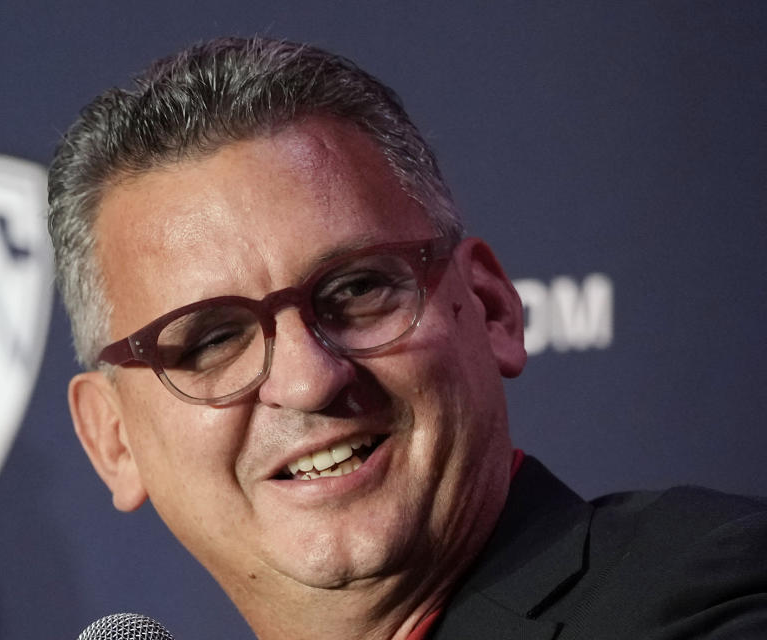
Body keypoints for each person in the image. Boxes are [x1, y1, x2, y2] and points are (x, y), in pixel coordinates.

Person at [47, 37, 767, 639]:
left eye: (357, 290)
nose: (308, 379)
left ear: (491, 310)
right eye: (210, 341)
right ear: (113, 439)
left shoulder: (706, 595)